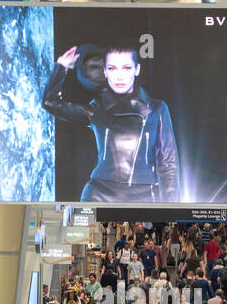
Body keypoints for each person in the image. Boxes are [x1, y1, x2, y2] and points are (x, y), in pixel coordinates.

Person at [44, 41, 178, 203]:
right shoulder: (96, 109)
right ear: (105, 72)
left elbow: (168, 165)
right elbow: (50, 103)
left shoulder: (157, 109)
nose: (119, 76)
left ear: (137, 70)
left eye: (126, 68)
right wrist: (61, 66)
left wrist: (170, 207)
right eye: (112, 68)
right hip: (98, 195)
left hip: (145, 197)